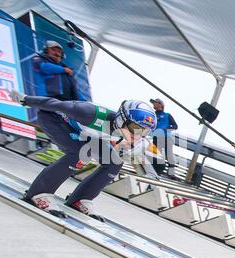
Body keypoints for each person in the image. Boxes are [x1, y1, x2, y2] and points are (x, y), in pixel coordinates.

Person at [9, 89, 157, 222]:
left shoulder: (128, 134)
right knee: (80, 153)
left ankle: (81, 199)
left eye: (143, 131)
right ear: (122, 118)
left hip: (84, 134)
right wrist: (25, 99)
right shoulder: (90, 113)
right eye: (135, 128)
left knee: (114, 162)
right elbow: (54, 104)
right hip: (54, 120)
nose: (138, 134)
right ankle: (38, 193)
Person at [149, 98, 178, 179]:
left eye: (155, 103)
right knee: (155, 155)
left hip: (166, 138)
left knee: (169, 155)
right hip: (156, 138)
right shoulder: (152, 115)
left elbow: (175, 126)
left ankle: (171, 173)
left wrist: (165, 129)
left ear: (160, 105)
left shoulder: (167, 115)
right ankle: (155, 170)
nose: (153, 104)